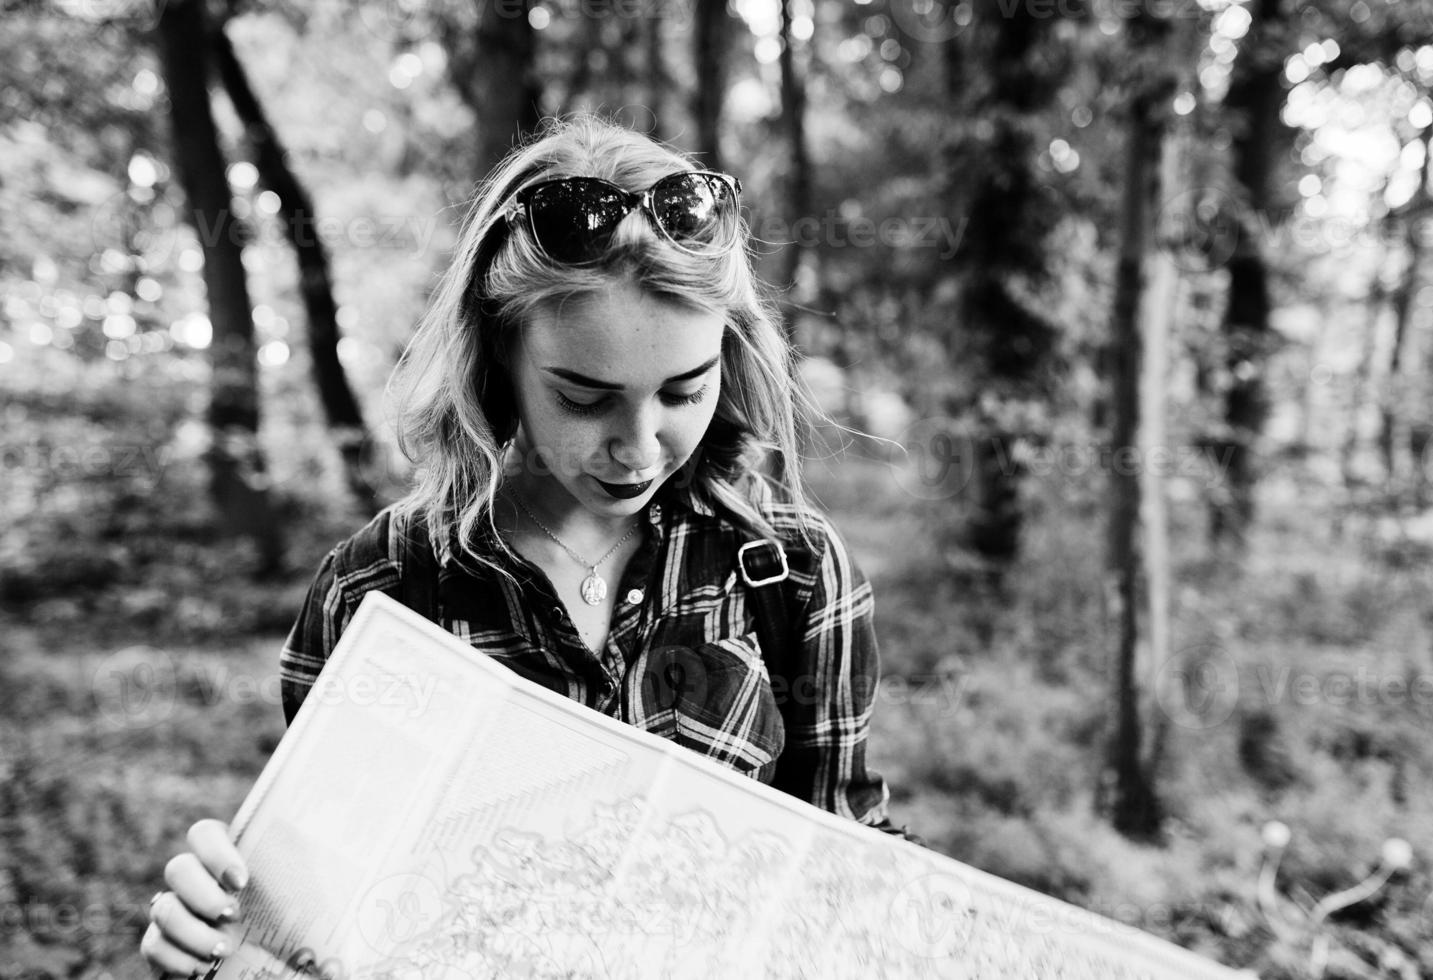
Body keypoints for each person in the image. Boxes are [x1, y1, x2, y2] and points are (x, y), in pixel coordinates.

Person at [139, 114, 916, 978]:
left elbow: (845, 865)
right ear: (498, 354)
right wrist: (221, 938)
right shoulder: (380, 591)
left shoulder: (792, 569)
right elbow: (325, 928)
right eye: (584, 398)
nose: (640, 446)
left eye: (684, 391)